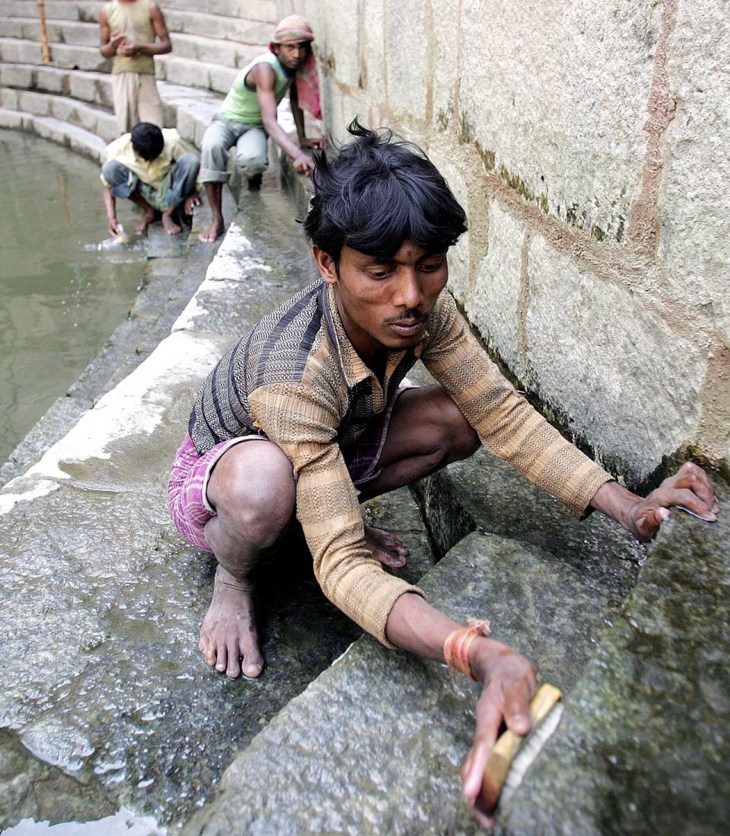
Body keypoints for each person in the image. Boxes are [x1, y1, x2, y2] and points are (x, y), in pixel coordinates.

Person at [167, 120, 719, 826]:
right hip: (223, 482)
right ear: (327, 264)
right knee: (266, 487)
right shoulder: (291, 375)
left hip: (336, 445)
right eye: (381, 271)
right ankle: (235, 578)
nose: (411, 296)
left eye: (429, 265)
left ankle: (319, 504)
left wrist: (629, 506)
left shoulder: (427, 311)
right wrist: (474, 651)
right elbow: (339, 563)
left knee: (461, 419)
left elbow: (501, 414)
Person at [197, 14, 325, 244]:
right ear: (277, 49)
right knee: (211, 146)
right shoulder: (265, 69)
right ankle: (217, 219)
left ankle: (250, 174)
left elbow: (294, 101)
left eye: (301, 48)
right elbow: (270, 120)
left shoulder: (294, 66)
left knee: (254, 161)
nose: (296, 54)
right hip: (227, 120)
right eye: (290, 48)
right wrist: (296, 154)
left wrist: (303, 139)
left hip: (253, 127)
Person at [101, 122, 200, 236]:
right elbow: (107, 184)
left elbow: (192, 166)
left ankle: (167, 214)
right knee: (109, 169)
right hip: (144, 191)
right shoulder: (118, 149)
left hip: (169, 191)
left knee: (191, 161)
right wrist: (112, 218)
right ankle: (149, 210)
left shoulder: (172, 141)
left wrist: (193, 192)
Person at [99, 0, 172, 135]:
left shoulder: (150, 7)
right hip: (121, 73)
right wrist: (113, 45)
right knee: (126, 130)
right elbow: (104, 50)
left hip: (145, 73)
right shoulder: (107, 10)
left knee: (153, 128)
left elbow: (167, 45)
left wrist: (139, 47)